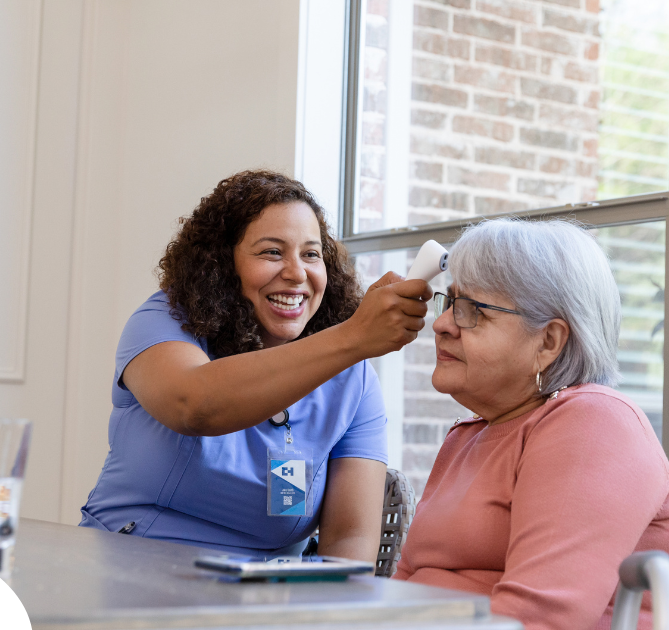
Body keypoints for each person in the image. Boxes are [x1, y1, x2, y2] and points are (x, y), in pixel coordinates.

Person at [79, 170, 431, 562]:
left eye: (311, 254)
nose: (297, 273)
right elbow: (195, 405)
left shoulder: (353, 380)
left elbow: (349, 544)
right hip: (129, 577)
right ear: (222, 264)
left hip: (264, 602)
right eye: (271, 252)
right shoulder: (165, 321)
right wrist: (353, 337)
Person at [392, 219, 669, 630]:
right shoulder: (466, 437)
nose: (442, 324)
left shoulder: (592, 424)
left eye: (471, 312)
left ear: (548, 342)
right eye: (449, 304)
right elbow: (399, 592)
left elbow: (536, 620)